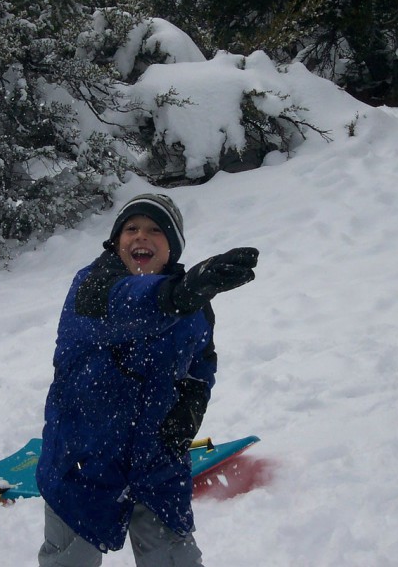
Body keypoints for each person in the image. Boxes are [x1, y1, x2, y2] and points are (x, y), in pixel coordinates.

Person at [36, 193, 259, 566]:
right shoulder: (91, 287)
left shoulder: (192, 304)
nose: (141, 236)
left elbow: (200, 366)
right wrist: (180, 293)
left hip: (156, 455)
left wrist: (187, 413)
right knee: (68, 560)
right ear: (115, 241)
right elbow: (130, 306)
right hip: (83, 455)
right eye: (131, 228)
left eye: (156, 230)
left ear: (171, 246)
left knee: (174, 557)